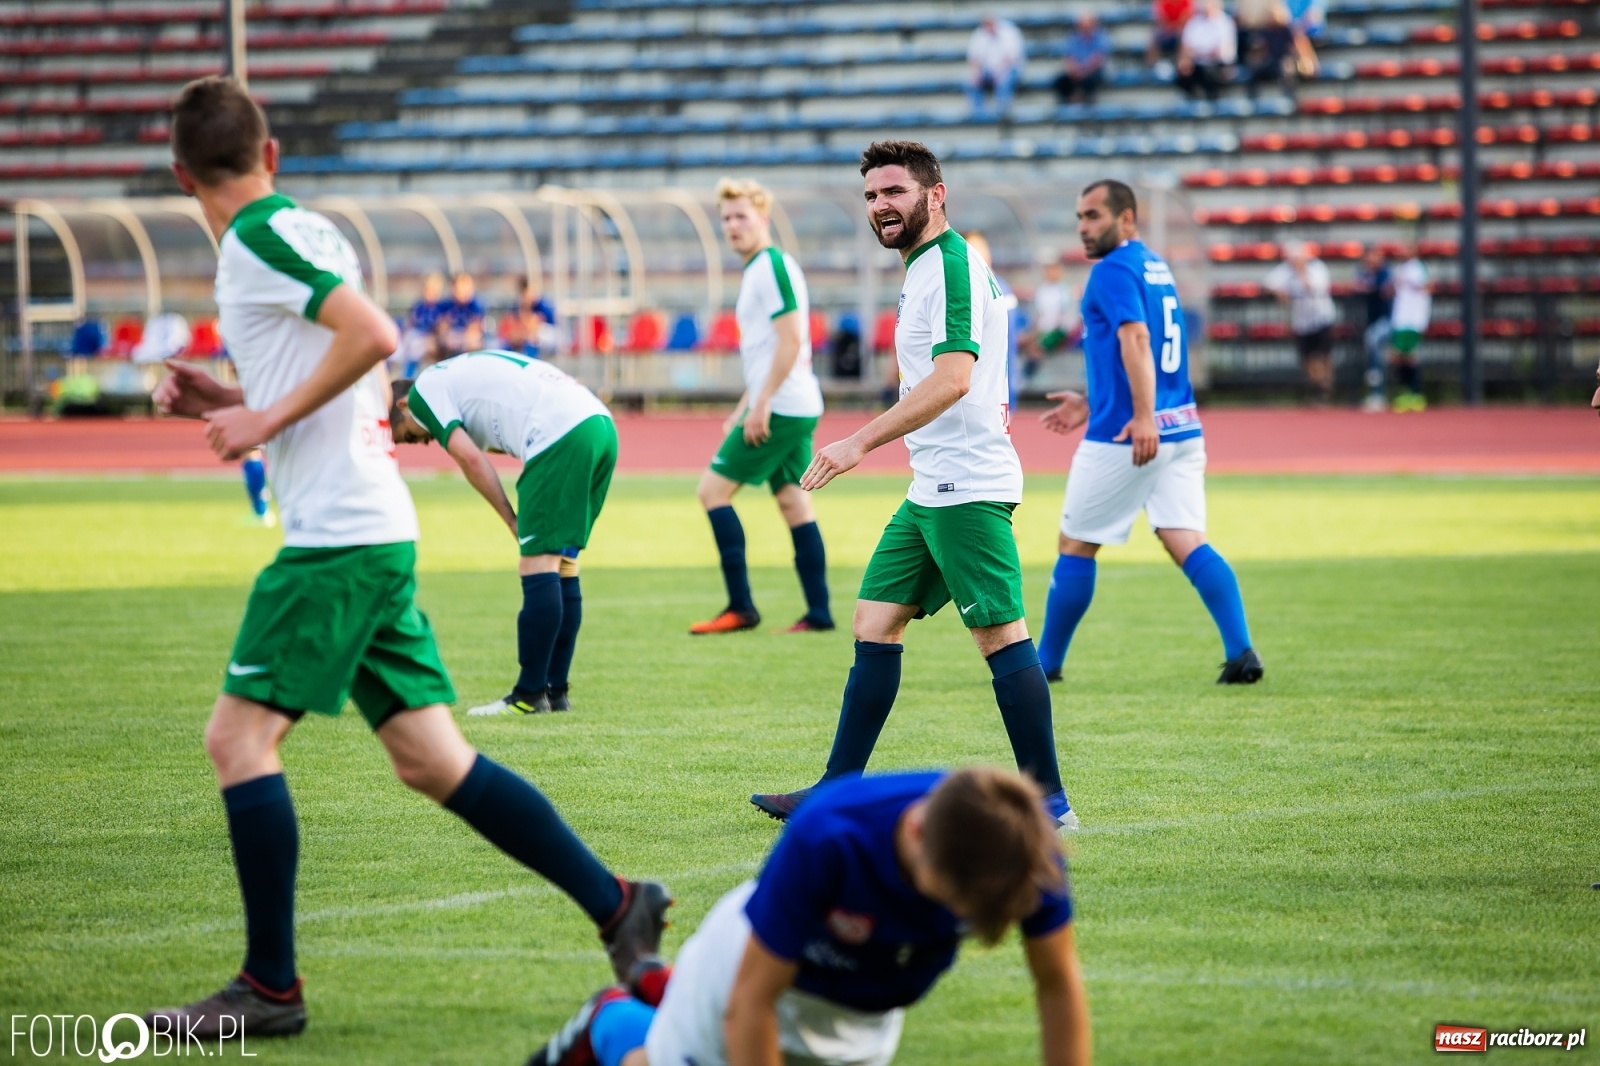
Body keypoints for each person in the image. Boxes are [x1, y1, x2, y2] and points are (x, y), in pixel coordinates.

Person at [143, 76, 670, 1040]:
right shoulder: (308, 230)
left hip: (338, 536)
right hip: (369, 524)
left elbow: (377, 339)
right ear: (272, 156)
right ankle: (617, 904)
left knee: (238, 741)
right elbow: (350, 375)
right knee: (433, 760)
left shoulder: (257, 240)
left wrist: (257, 415)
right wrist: (225, 401)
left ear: (181, 174)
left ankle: (270, 987)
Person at [749, 141, 1075, 831]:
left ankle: (1049, 803)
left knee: (1000, 635)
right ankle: (834, 792)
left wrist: (858, 441)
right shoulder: (928, 265)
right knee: (874, 621)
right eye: (871, 196)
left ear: (936, 194)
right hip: (933, 484)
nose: (881, 206)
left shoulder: (950, 264)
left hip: (966, 483)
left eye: (894, 192)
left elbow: (955, 377)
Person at [526, 767, 1091, 1066]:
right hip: (758, 976)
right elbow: (752, 1002)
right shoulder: (830, 833)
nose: (948, 919)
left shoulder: (1021, 855)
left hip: (867, 1011)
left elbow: (1057, 984)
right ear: (914, 831)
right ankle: (613, 1016)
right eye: (944, 899)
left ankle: (658, 982)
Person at [1038, 180, 1263, 687]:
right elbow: (1150, 349)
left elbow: (1136, 340)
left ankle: (1044, 663)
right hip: (1181, 426)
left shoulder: (1111, 271)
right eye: (1080, 216)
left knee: (1075, 545)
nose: (1083, 227)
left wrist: (1139, 416)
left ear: (1127, 220)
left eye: (1094, 215)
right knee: (1185, 538)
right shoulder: (1154, 266)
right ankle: (1240, 649)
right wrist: (1093, 401)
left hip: (1130, 435)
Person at [389, 348, 616, 715]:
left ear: (402, 405)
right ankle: (555, 693)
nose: (419, 441)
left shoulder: (422, 393)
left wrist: (513, 520)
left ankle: (528, 695)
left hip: (561, 432)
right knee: (564, 566)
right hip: (598, 424)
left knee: (536, 566)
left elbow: (470, 458)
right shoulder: (454, 376)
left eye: (406, 436)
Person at [690, 178, 833, 636]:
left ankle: (741, 607)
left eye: (741, 217)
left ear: (763, 220)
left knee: (711, 492)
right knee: (794, 502)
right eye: (727, 218)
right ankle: (820, 613)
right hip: (791, 401)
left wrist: (763, 402)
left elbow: (792, 338)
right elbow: (770, 348)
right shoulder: (760, 268)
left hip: (784, 406)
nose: (733, 226)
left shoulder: (770, 266)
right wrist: (746, 401)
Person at [1263, 240, 1336, 403]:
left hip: (1321, 318)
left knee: (1322, 356)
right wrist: (1278, 291)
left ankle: (1326, 389)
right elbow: (1268, 282)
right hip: (1302, 321)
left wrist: (1302, 272)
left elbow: (1313, 288)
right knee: (1307, 358)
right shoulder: (1286, 271)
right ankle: (1316, 389)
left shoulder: (1317, 268)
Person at [964, 231, 1026, 411]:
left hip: (1003, 382)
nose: (981, 254)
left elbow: (1018, 328)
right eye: (974, 249)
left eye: (983, 249)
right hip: (978, 388)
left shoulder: (1002, 287)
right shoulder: (966, 288)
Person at [1388, 245, 1431, 412]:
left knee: (1409, 355)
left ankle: (1415, 393)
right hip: (1400, 319)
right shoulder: (1402, 268)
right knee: (1398, 356)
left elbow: (1425, 287)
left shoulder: (1417, 269)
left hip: (1411, 319)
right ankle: (1405, 393)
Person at [1352, 245, 1393, 413]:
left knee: (1374, 344)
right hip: (1371, 321)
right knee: (1372, 350)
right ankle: (1375, 391)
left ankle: (1378, 393)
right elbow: (1356, 285)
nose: (1371, 261)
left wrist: (1367, 288)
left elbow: (1383, 290)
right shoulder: (1364, 272)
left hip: (1386, 320)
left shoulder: (1385, 273)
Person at [966, 14, 1026, 118]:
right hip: (988, 70)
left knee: (1004, 80)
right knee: (970, 81)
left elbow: (1012, 58)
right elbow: (974, 59)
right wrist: (976, 74)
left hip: (1009, 69)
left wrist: (999, 72)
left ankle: (1002, 112)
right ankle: (978, 113)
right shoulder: (979, 34)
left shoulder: (1009, 31)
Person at [1175, 0, 1236, 101]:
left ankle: (1213, 100)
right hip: (1197, 64)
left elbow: (1223, 51)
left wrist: (1202, 53)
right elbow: (1186, 47)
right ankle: (1193, 99)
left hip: (1218, 65)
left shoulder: (1225, 22)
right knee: (1183, 72)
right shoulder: (1194, 22)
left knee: (1210, 73)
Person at [1055, 13, 1110, 105]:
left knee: (1091, 80)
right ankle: (1066, 103)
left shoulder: (1100, 37)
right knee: (1061, 81)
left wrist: (1084, 71)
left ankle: (1088, 102)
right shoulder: (1073, 37)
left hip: (1092, 72)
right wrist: (1075, 69)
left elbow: (1098, 59)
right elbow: (1069, 57)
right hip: (1077, 71)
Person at [401, 272, 447, 374]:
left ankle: (408, 376)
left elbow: (442, 329)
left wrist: (434, 339)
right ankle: (406, 376)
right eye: (427, 289)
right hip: (416, 337)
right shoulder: (419, 305)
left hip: (431, 340)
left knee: (415, 348)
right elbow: (410, 323)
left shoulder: (441, 307)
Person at [438, 271, 486, 357]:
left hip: (466, 338)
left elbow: (475, 327)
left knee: (473, 341)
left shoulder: (475, 305)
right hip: (452, 336)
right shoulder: (446, 305)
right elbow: (442, 326)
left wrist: (462, 339)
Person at [1148, 0, 1193, 65]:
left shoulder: (1186, 1)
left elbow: (1185, 18)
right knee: (1153, 41)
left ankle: (1182, 67)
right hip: (1165, 30)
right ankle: (1153, 67)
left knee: (1186, 41)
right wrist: (1169, 28)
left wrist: (1176, 27)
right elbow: (1160, 18)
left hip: (1180, 30)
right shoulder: (1162, 1)